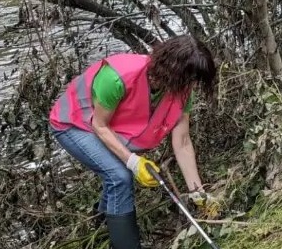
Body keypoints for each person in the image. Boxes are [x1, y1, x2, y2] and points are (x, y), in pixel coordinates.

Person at [49, 36, 219, 249]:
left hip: (110, 128)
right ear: (173, 72)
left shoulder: (182, 91)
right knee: (119, 176)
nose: (193, 86)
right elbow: (99, 126)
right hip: (72, 123)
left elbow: (183, 142)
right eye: (191, 79)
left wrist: (197, 192)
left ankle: (102, 225)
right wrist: (133, 162)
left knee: (116, 176)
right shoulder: (116, 77)